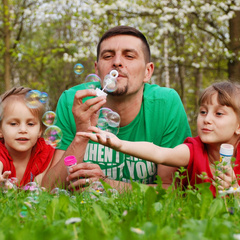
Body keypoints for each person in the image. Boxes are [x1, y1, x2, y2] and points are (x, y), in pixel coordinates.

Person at [42, 25, 191, 191]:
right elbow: (49, 188)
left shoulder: (165, 104)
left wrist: (107, 184)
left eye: (129, 56)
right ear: (97, 69)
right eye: (108, 56)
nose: (117, 62)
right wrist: (82, 135)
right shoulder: (75, 101)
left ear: (147, 72)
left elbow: (172, 190)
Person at [79, 81, 240, 196]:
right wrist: (121, 144)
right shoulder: (194, 150)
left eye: (218, 114)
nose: (207, 119)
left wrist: (236, 191)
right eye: (203, 112)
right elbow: (160, 153)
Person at [0, 87, 55, 187]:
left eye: (30, 124)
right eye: (13, 124)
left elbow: (42, 184)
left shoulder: (44, 151)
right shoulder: (1, 151)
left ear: (40, 130)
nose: (23, 130)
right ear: (0, 130)